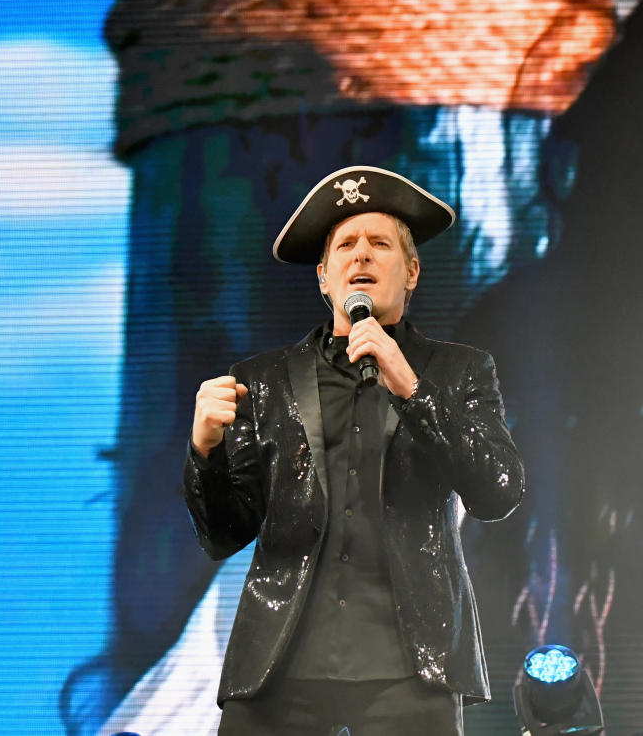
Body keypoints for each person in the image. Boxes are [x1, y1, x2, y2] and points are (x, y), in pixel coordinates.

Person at [183, 164, 524, 735]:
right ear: (323, 276)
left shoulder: (458, 370)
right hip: (280, 664)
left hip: (411, 666)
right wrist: (205, 449)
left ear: (411, 271)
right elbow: (222, 533)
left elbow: (499, 490)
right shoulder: (262, 381)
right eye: (345, 245)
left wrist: (410, 384)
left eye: (380, 244)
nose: (361, 256)